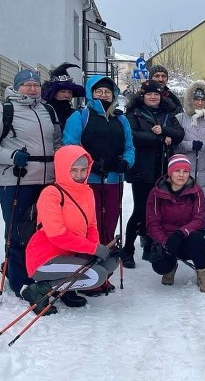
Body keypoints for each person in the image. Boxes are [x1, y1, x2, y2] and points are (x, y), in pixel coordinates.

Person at [23, 145, 118, 315]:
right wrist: (93, 248)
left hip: (71, 255)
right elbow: (57, 235)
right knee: (97, 276)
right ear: (62, 168)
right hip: (45, 259)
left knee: (111, 261)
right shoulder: (51, 194)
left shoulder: (87, 192)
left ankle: (64, 290)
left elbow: (92, 226)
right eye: (74, 170)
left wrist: (95, 249)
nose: (80, 175)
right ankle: (39, 289)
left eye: (83, 170)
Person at [0, 69, 62, 298]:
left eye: (35, 84)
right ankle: (19, 280)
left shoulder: (47, 110)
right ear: (16, 87)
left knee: (42, 231)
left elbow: (57, 140)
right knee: (17, 231)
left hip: (47, 180)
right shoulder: (6, 110)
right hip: (17, 179)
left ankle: (39, 272)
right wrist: (12, 155)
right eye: (26, 84)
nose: (32, 88)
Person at [63, 76, 135, 251]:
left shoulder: (121, 120)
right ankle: (88, 269)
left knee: (109, 225)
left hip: (113, 180)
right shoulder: (80, 116)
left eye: (107, 92)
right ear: (91, 93)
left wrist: (126, 163)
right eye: (99, 91)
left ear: (113, 95)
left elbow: (129, 147)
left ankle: (105, 271)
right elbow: (70, 145)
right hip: (88, 181)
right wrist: (90, 165)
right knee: (90, 225)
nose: (103, 95)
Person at [122, 80, 185, 269]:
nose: (153, 97)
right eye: (149, 94)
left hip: (163, 170)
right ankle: (128, 250)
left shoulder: (167, 114)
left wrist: (165, 130)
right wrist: (158, 139)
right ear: (142, 96)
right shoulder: (134, 114)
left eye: (156, 94)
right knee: (140, 210)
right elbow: (132, 136)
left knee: (159, 211)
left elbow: (179, 134)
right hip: (142, 170)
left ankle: (151, 246)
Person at [146, 154, 205, 292]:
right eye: (177, 171)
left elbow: (199, 219)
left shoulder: (196, 190)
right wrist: (165, 241)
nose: (181, 175)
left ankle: (202, 273)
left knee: (198, 239)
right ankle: (170, 267)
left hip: (187, 236)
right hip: (166, 238)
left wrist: (181, 233)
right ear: (170, 173)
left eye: (185, 171)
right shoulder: (157, 192)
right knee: (161, 266)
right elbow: (153, 222)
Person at [176, 81, 205, 193]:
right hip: (186, 172)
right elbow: (174, 145)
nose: (200, 103)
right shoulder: (180, 118)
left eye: (203, 100)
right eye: (197, 99)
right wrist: (190, 145)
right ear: (191, 100)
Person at [41, 63, 85, 130]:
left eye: (69, 92)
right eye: (62, 91)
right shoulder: (44, 112)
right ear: (54, 93)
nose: (67, 95)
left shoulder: (75, 113)